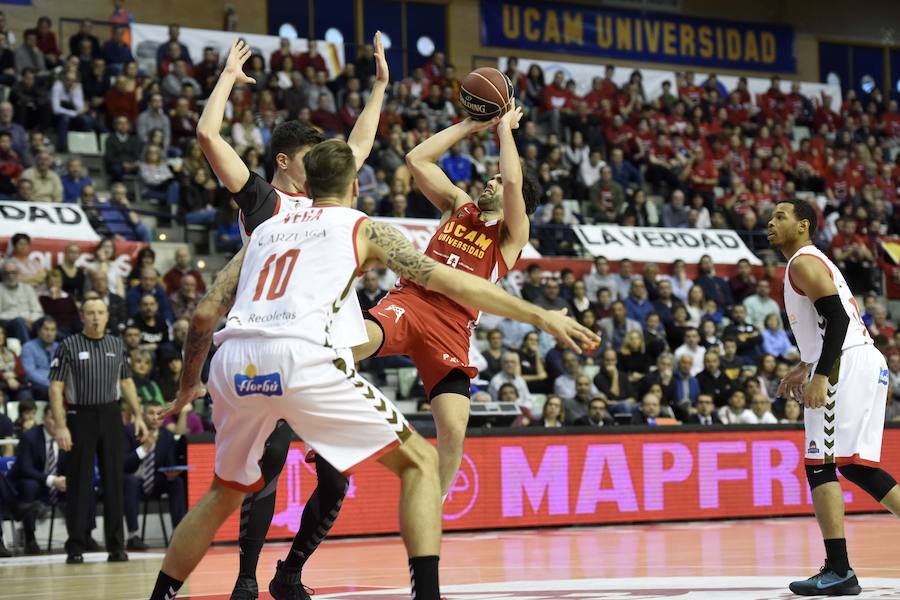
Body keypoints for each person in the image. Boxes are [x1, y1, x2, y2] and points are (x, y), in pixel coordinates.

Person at [146, 139, 596, 600]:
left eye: (501, 180)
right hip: (393, 312)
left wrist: (186, 388)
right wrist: (538, 314)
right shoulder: (374, 224)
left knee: (450, 430)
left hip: (246, 359)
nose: (493, 181)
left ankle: (163, 593)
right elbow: (424, 197)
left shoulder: (269, 227)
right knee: (407, 443)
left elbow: (203, 317)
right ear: (356, 186)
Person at [195, 37, 394, 599]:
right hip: (273, 343)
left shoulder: (332, 198)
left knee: (336, 476)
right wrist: (228, 80)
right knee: (270, 464)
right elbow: (210, 137)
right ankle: (245, 579)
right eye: (311, 157)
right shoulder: (264, 203)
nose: (330, 166)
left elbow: (358, 144)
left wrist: (378, 89)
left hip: (326, 352)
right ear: (284, 161)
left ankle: (290, 572)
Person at [768, 198, 900, 595]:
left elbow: (838, 319)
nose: (770, 223)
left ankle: (839, 570)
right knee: (857, 467)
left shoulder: (802, 262)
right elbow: (831, 320)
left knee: (820, 464)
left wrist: (821, 374)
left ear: (804, 225)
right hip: (862, 360)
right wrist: (805, 363)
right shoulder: (811, 261)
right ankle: (839, 569)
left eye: (780, 217)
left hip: (845, 364)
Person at [49, 298, 147, 564]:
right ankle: (76, 546)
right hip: (80, 415)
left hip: (111, 414)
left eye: (100, 313)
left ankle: (117, 546)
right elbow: (56, 388)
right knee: (79, 482)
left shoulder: (116, 344)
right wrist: (60, 425)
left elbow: (126, 381)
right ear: (82, 316)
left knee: (114, 480)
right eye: (90, 312)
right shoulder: (68, 345)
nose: (95, 317)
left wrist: (138, 415)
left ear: (106, 316)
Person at [122, 402, 186, 551]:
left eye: (159, 414)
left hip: (156, 481)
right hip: (134, 481)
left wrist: (171, 473)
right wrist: (144, 449)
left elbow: (169, 464)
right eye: (151, 413)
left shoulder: (167, 436)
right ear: (143, 416)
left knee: (177, 483)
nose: (155, 417)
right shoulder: (130, 431)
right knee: (130, 482)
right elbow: (123, 465)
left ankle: (178, 535)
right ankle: (133, 536)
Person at [10, 410, 70, 555]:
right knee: (29, 486)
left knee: (82, 485)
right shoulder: (29, 437)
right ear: (43, 419)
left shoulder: (67, 436)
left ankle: (82, 536)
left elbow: (76, 464)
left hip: (59, 485)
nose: (56, 422)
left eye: (60, 418)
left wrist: (68, 480)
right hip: (34, 484)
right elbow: (24, 468)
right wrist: (52, 480)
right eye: (52, 418)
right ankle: (30, 538)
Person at [20, 317, 57, 400]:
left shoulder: (59, 348)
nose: (49, 333)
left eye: (53, 330)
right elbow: (29, 372)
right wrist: (50, 383)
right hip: (38, 384)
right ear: (39, 331)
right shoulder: (28, 347)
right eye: (46, 329)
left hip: (56, 384)